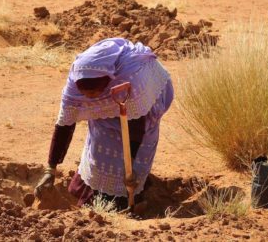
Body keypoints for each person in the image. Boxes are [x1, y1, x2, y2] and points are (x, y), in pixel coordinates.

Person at [34, 38, 174, 210]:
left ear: (108, 81)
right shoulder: (74, 84)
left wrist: (129, 167)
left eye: (93, 92)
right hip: (113, 105)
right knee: (100, 143)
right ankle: (93, 198)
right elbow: (64, 124)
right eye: (84, 92)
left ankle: (128, 200)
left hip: (142, 111)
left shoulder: (131, 81)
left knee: (129, 171)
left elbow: (137, 127)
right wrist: (51, 169)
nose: (89, 97)